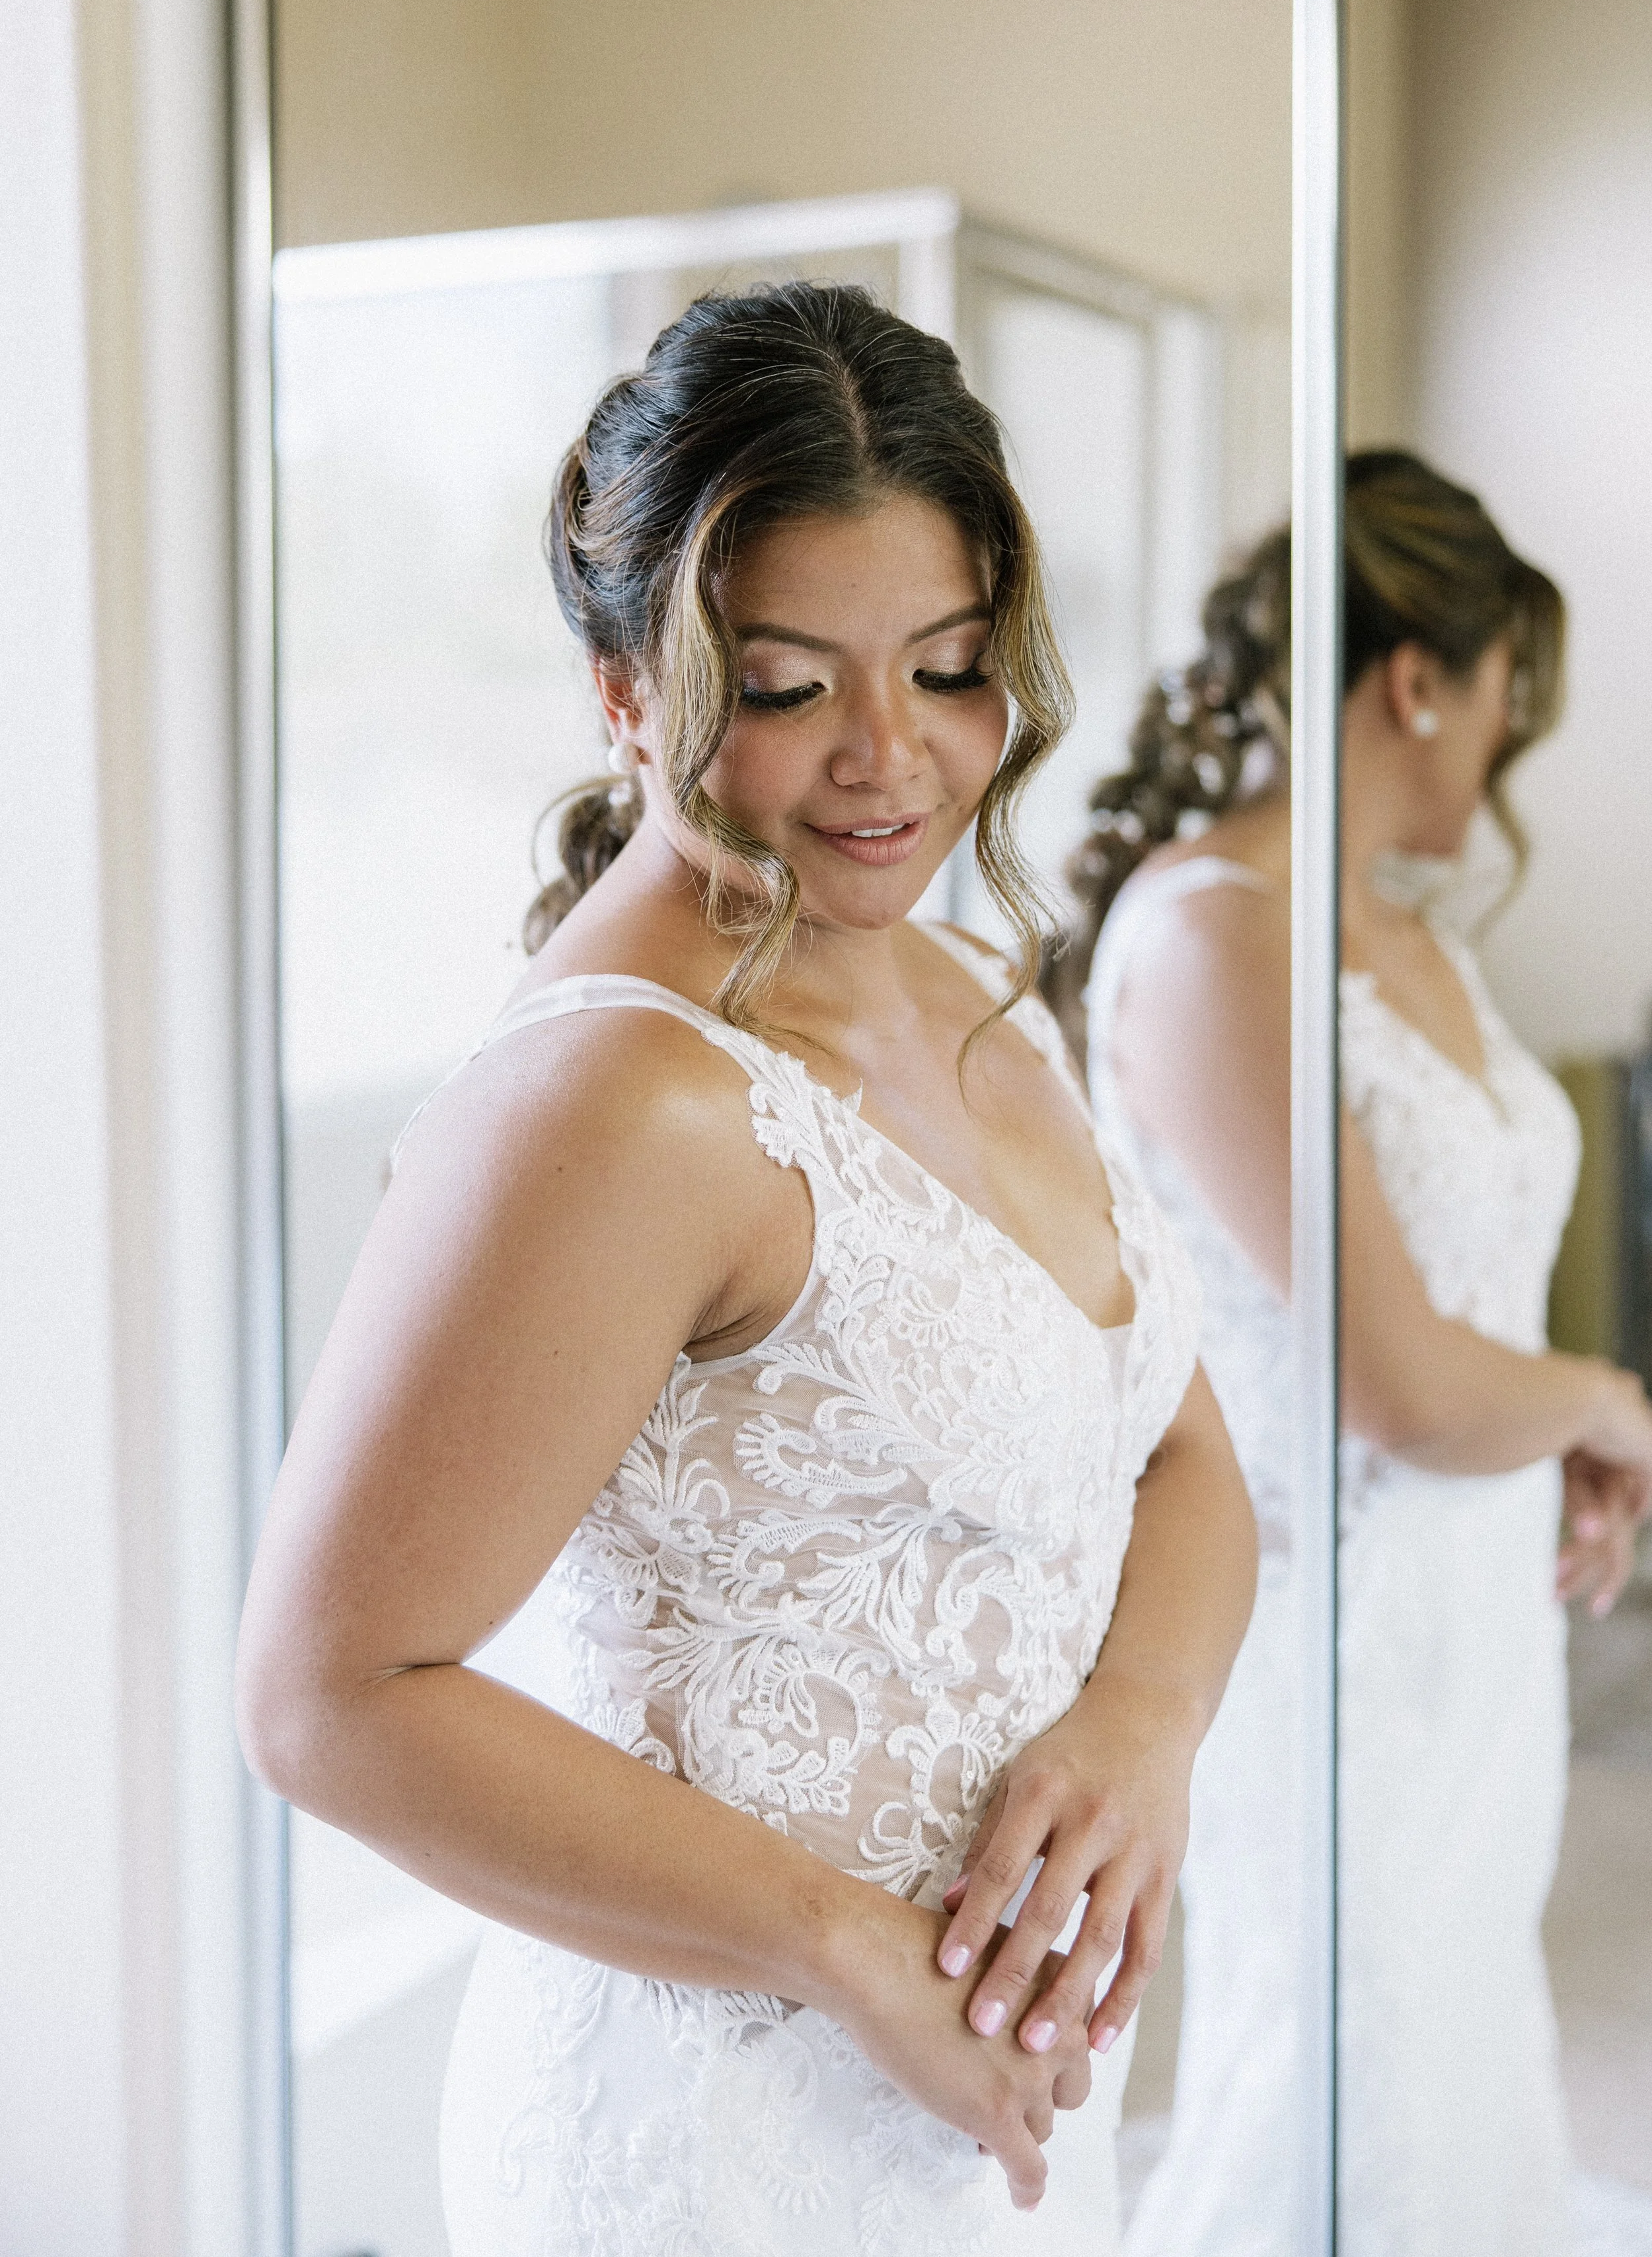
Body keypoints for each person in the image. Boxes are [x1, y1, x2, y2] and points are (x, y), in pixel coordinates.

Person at [236, 284, 1257, 2257]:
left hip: (990, 2116)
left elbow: (1178, 1447)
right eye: (788, 687)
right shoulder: (620, 1100)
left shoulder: (975, 989)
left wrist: (1141, 1721)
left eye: (949, 668)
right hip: (726, 2135)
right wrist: (850, 1950)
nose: (893, 761)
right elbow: (325, 1694)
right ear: (630, 691)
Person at [1049, 449, 1652, 2257]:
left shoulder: (1395, 927)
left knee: (1459, 2054)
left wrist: (1537, 1436)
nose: (1497, 751)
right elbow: (1386, 1374)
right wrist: (1611, 1401)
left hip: (1469, 1621)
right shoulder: (1211, 944)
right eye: (1500, 700)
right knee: (1337, 2082)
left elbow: (1456, 1318)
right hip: (1324, 1627)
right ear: (1417, 679)